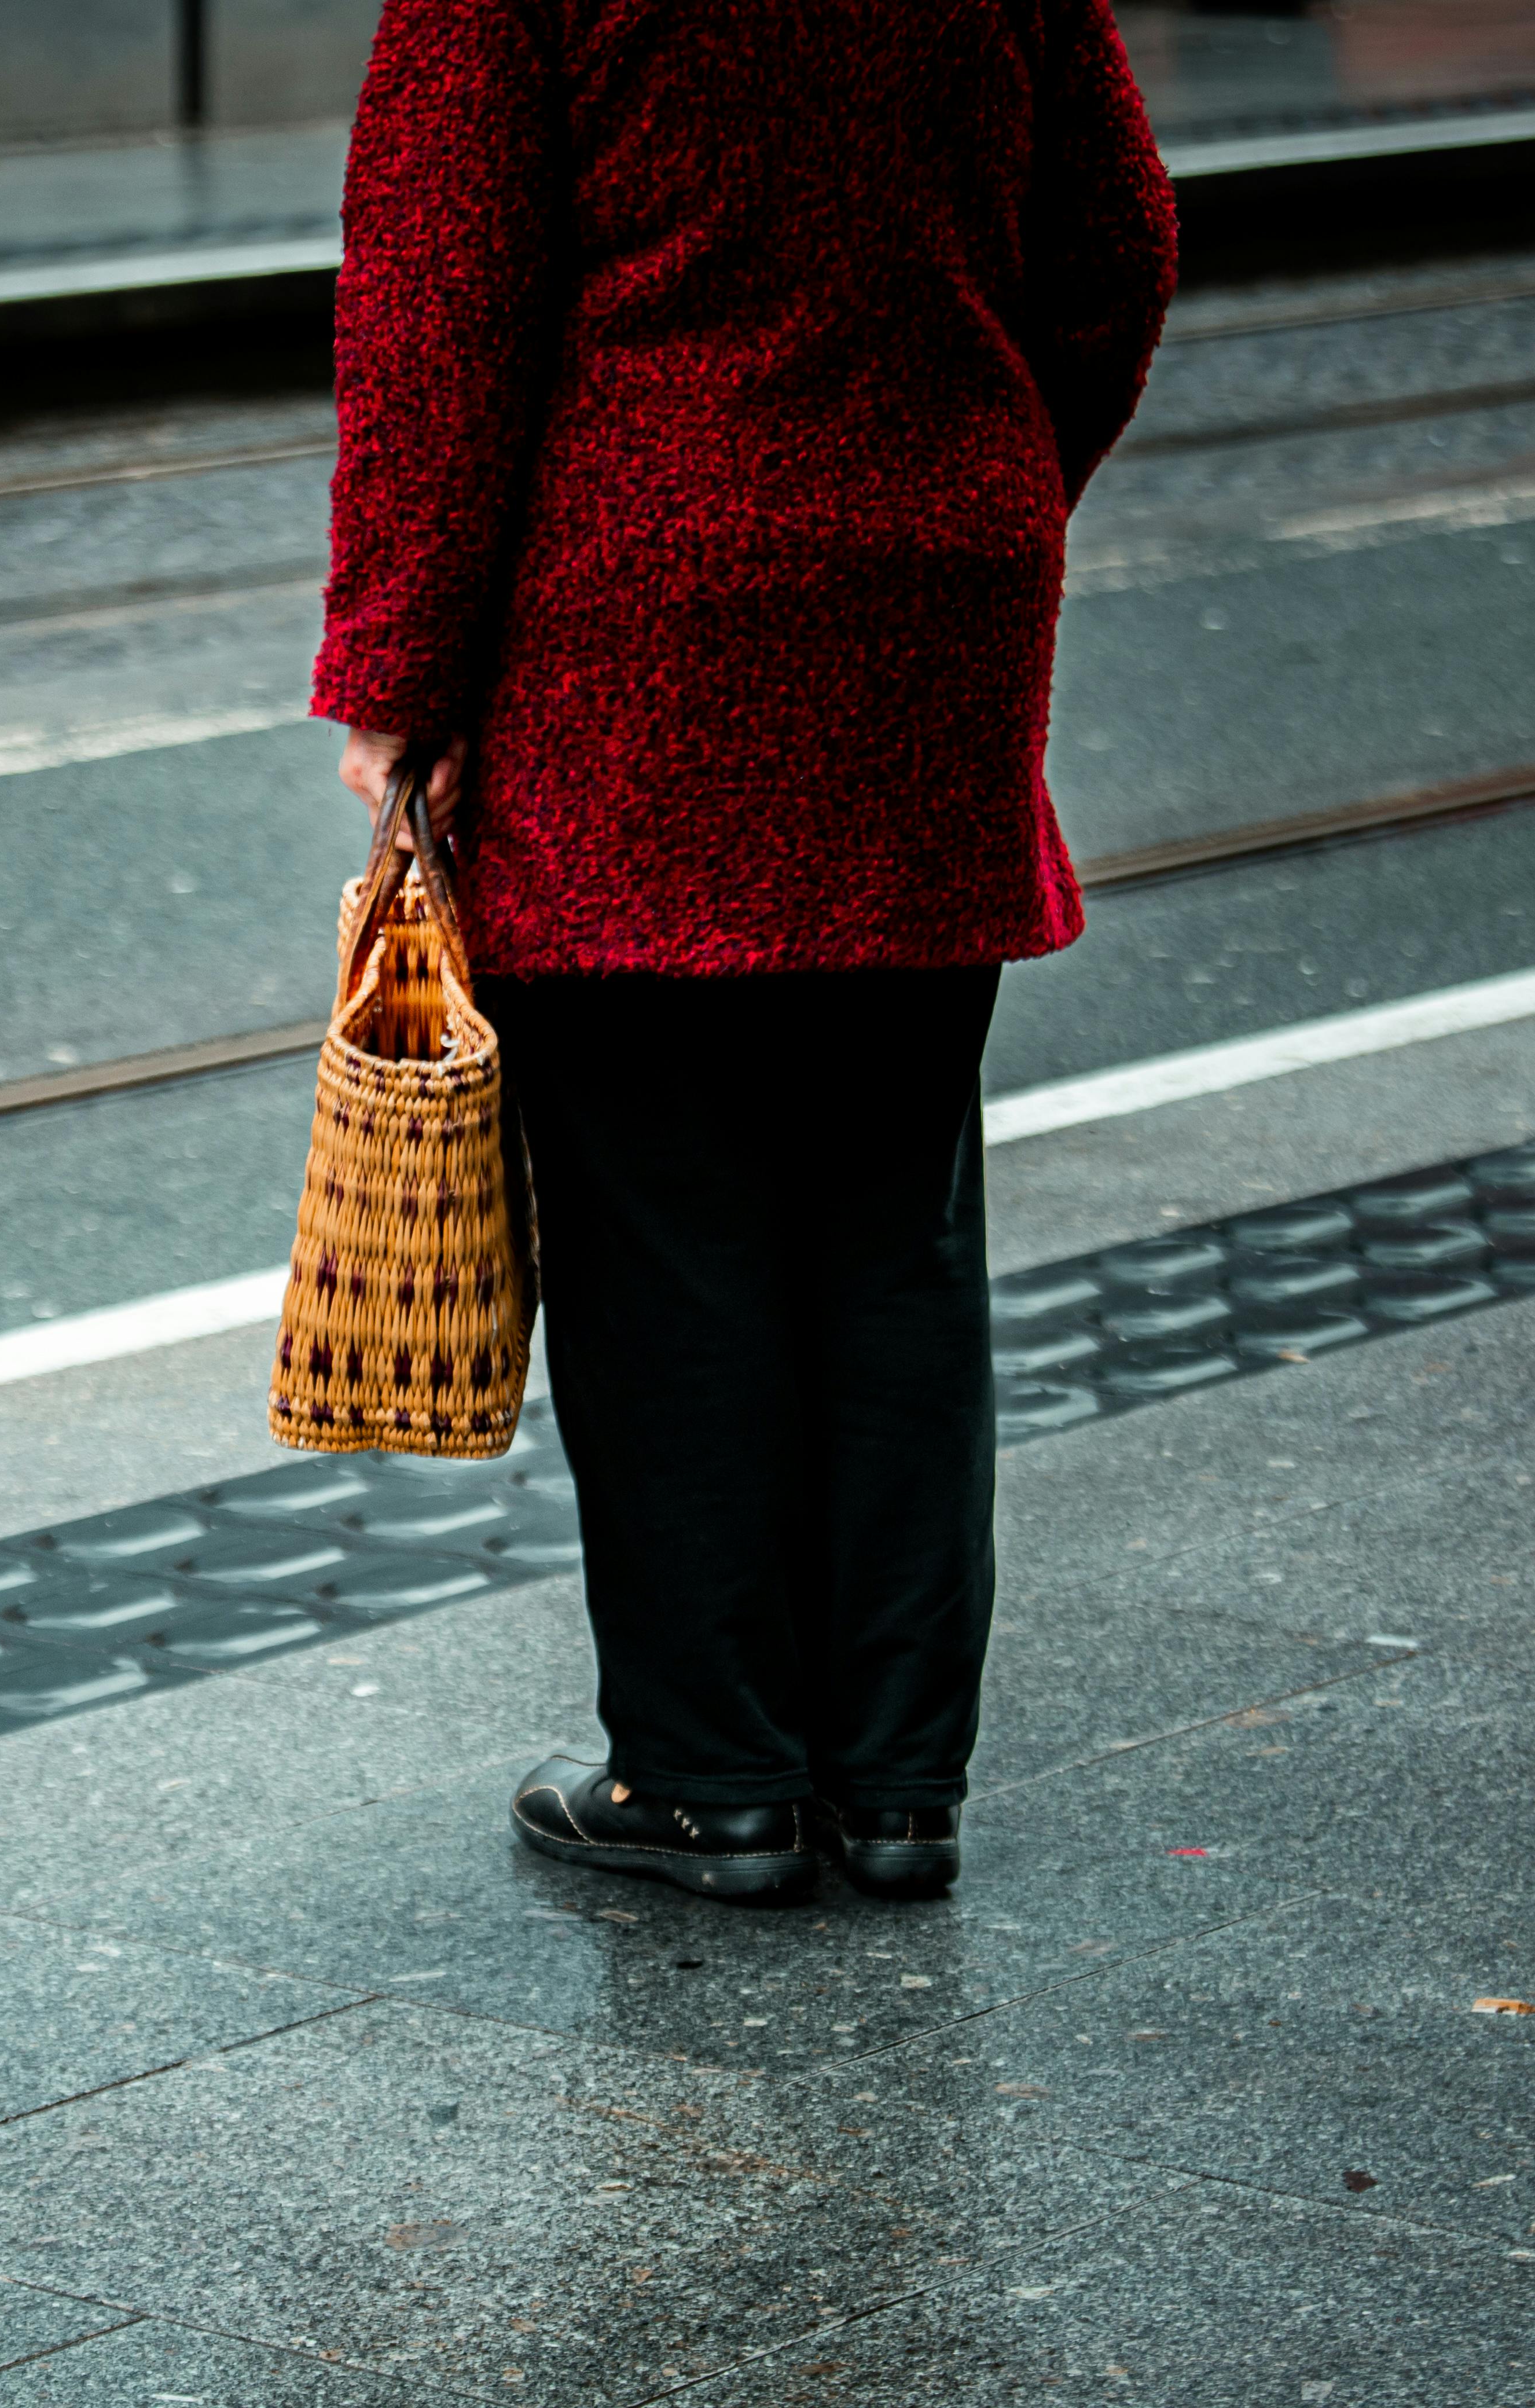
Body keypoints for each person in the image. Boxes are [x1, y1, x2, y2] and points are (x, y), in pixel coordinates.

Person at [314, 0, 1176, 1902]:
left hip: (638, 616)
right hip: (932, 611)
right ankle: (892, 1785)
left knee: (665, 1234)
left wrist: (400, 671)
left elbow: (438, 321)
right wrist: (976, 475)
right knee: (897, 1223)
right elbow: (1117, 249)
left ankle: (712, 1778)